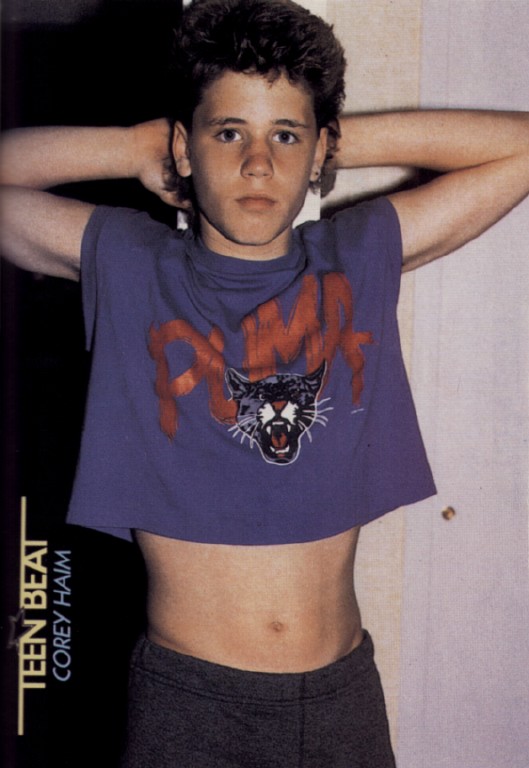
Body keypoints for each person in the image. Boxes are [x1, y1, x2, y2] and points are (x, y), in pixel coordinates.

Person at [1, 0, 528, 765]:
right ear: (184, 147)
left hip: (338, 700)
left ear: (316, 150)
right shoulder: (130, 263)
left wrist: (328, 142)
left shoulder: (356, 255)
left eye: (283, 135)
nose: (257, 164)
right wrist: (133, 146)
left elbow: (518, 148)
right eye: (227, 133)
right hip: (188, 706)